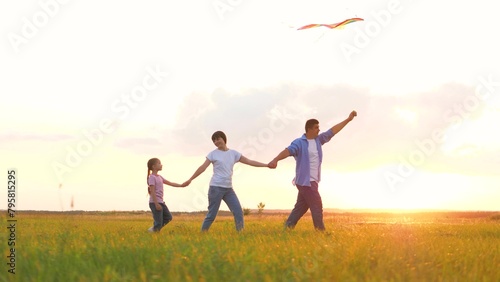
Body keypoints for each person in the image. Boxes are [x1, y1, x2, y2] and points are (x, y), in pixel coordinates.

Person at [268, 111, 357, 231]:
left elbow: (332, 131)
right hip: (305, 181)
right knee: (317, 205)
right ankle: (321, 232)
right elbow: (288, 151)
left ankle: (287, 228)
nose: (318, 130)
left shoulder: (318, 140)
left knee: (301, 207)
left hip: (313, 181)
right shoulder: (299, 143)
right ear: (309, 129)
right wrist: (275, 159)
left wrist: (348, 120)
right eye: (316, 128)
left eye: (319, 128)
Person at [183, 131, 271, 232]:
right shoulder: (212, 154)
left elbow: (249, 161)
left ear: (224, 139)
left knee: (238, 212)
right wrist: (190, 179)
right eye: (214, 140)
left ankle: (240, 235)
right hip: (215, 188)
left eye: (218, 139)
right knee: (212, 215)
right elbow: (202, 168)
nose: (216, 142)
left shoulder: (233, 153)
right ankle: (202, 234)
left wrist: (266, 165)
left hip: (228, 189)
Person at [147, 157, 187, 233]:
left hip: (161, 202)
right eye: (159, 163)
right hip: (155, 202)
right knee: (158, 222)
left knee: (168, 217)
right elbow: (152, 191)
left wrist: (182, 185)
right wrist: (156, 204)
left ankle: (153, 229)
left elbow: (170, 183)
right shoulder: (152, 177)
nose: (161, 165)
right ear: (154, 166)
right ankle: (154, 232)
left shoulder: (159, 177)